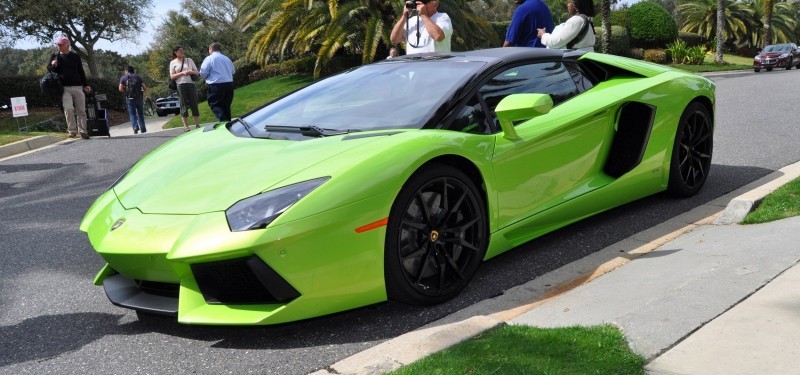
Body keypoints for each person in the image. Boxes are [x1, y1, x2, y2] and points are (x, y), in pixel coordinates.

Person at [48, 35, 92, 139]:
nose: (58, 46)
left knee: (81, 110)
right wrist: (53, 64)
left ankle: (83, 131)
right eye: (57, 44)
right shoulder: (55, 55)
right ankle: (72, 131)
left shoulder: (75, 56)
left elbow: (81, 71)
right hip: (64, 88)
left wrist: (85, 85)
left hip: (78, 87)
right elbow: (49, 69)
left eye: (60, 44)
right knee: (68, 109)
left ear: (67, 45)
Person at [199, 42, 235, 122]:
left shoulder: (209, 58)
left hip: (216, 85)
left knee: (216, 104)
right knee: (226, 106)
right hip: (229, 84)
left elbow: (203, 72)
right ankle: (228, 124)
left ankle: (223, 123)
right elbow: (233, 71)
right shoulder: (227, 58)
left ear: (211, 49)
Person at [169, 46, 201, 131]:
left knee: (194, 103)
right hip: (180, 85)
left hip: (191, 84)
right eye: (180, 51)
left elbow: (197, 72)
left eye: (183, 50)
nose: (182, 52)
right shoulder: (173, 63)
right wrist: (182, 73)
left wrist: (191, 72)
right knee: (183, 104)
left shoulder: (189, 60)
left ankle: (197, 124)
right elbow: (172, 76)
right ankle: (186, 126)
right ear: (176, 52)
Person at [118, 66, 148, 134]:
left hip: (130, 98)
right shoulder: (138, 77)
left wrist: (126, 90)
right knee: (140, 113)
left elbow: (120, 89)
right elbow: (145, 87)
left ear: (127, 71)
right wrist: (146, 95)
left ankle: (135, 127)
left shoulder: (124, 78)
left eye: (125, 71)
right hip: (139, 98)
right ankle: (143, 129)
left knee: (132, 114)